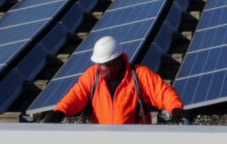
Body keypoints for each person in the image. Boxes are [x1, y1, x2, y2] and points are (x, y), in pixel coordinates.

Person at [41, 36, 185, 124]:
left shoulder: (139, 75)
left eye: (103, 65)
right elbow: (77, 95)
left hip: (134, 142)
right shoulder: (93, 75)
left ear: (116, 63)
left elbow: (162, 92)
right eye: (98, 64)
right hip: (103, 141)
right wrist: (60, 111)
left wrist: (176, 108)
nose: (99, 68)